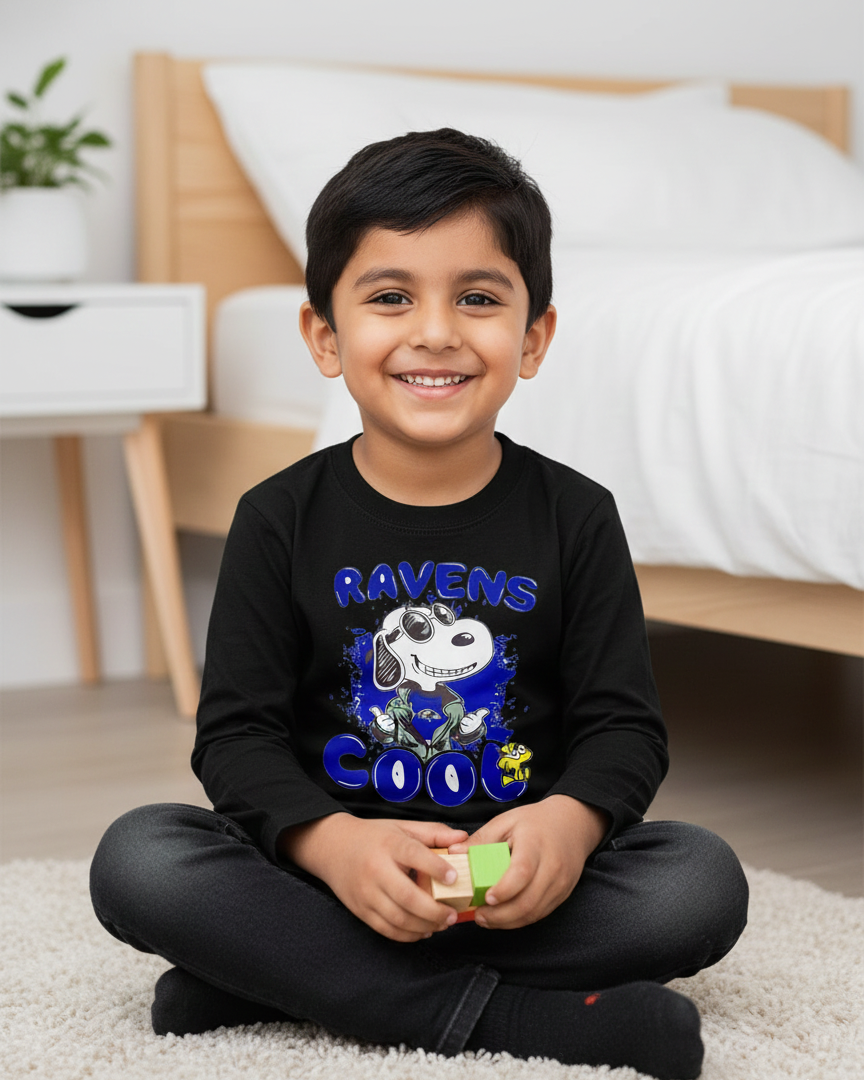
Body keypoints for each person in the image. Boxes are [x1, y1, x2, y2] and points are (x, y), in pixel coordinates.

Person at [90, 129, 748, 1080]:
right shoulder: (277, 517)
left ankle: (272, 978)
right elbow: (234, 738)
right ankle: (528, 1020)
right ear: (326, 336)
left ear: (533, 338)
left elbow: (624, 729)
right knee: (141, 858)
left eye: (477, 299)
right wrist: (334, 845)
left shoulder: (577, 515)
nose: (435, 331)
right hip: (327, 872)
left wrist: (568, 825)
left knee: (698, 883)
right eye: (390, 297)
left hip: (519, 883)